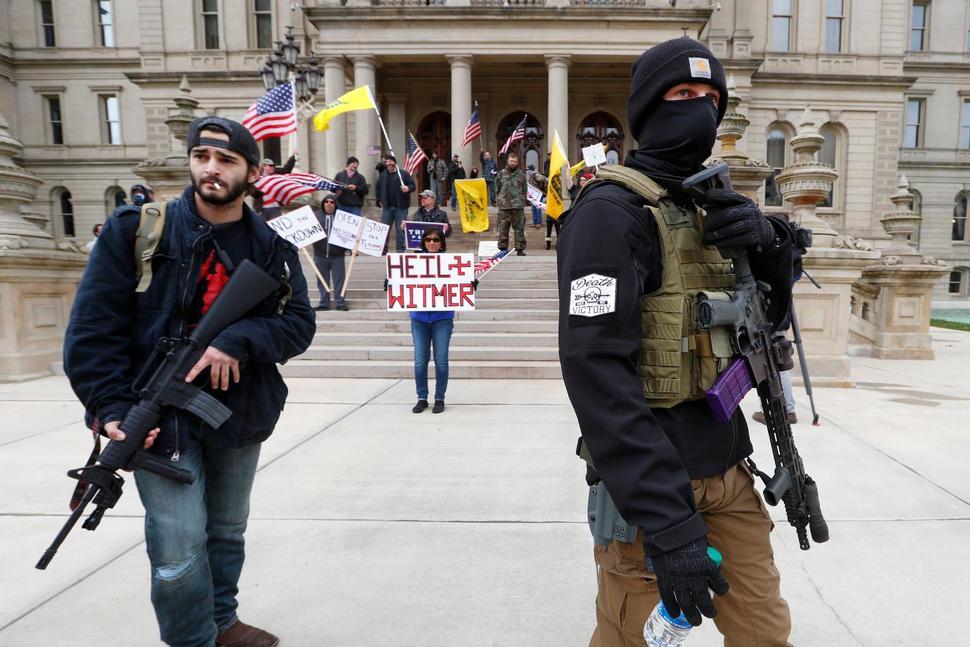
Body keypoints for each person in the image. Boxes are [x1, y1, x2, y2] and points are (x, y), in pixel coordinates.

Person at [558, 38, 798, 646]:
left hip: (729, 468)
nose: (701, 110)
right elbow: (595, 371)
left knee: (765, 633)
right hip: (651, 487)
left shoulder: (712, 206)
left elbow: (763, 334)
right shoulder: (610, 213)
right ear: (647, 108)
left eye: (712, 98)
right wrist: (668, 523)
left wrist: (770, 255)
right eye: (684, 94)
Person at [63, 115, 316, 647]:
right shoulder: (137, 229)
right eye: (202, 156)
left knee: (226, 532)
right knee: (177, 550)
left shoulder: (270, 246)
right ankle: (193, 641)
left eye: (227, 160)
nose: (211, 169)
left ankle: (222, 623)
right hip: (156, 419)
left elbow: (298, 325)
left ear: (252, 171)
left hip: (238, 414)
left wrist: (238, 339)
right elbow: (92, 329)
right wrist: (110, 409)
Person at [409, 229, 454, 415]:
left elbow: (459, 285)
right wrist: (392, 282)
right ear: (423, 243)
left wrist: (469, 284)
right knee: (420, 361)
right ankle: (422, 398)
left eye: (436, 239)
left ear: (442, 243)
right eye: (428, 239)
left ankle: (439, 398)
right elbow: (404, 283)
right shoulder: (412, 263)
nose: (432, 242)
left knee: (441, 360)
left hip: (442, 318)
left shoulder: (450, 263)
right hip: (419, 318)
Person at [313, 193, 351, 311]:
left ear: (335, 205)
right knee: (322, 280)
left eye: (332, 202)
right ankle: (324, 303)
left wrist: (351, 248)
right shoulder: (315, 216)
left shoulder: (343, 219)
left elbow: (349, 234)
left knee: (339, 280)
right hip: (320, 255)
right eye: (327, 201)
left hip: (337, 256)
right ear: (323, 203)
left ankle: (340, 302)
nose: (329, 204)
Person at [375, 154, 416, 253]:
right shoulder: (383, 175)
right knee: (384, 229)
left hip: (401, 207)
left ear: (395, 163)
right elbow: (378, 188)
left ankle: (400, 249)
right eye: (387, 162)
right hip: (387, 207)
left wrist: (408, 188)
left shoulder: (404, 174)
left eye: (391, 161)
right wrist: (379, 200)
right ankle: (383, 249)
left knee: (400, 229)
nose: (389, 163)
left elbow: (413, 186)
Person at [495, 151, 527, 256]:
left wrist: (521, 201)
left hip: (517, 206)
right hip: (504, 207)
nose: (512, 162)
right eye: (511, 161)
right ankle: (503, 249)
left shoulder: (521, 175)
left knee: (519, 229)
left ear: (517, 162)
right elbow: (497, 188)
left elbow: (524, 190)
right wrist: (500, 200)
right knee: (503, 228)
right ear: (508, 161)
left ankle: (520, 249)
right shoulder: (501, 174)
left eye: (514, 161)